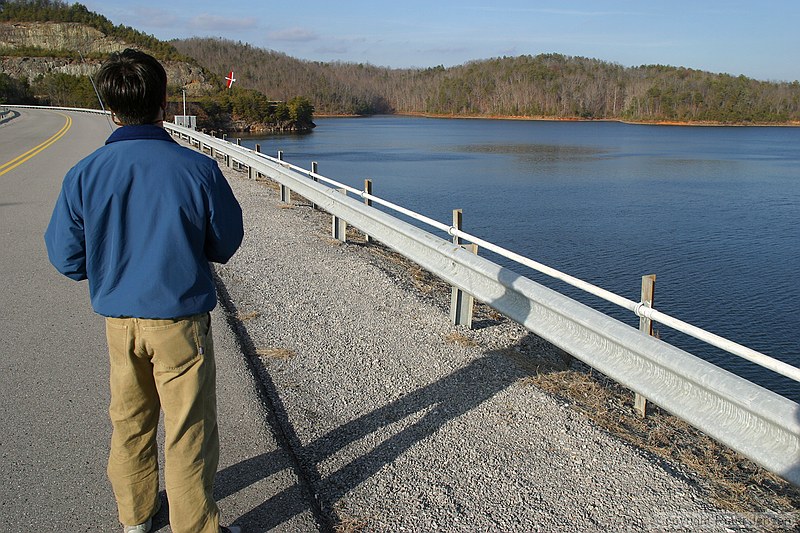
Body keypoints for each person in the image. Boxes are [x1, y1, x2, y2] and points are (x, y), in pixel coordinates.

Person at [44, 49, 244, 533]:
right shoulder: (197, 170)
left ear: (110, 110)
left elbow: (65, 256)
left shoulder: (84, 174)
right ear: (163, 106)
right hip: (180, 323)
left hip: (119, 322)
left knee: (129, 423)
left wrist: (112, 269)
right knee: (187, 431)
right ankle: (193, 527)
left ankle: (135, 519)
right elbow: (226, 242)